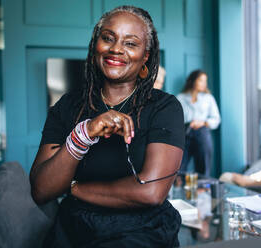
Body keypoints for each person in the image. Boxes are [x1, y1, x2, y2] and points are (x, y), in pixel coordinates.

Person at [30, 6, 185, 247]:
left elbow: (150, 192)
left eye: (131, 43)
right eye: (108, 38)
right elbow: (41, 190)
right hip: (74, 230)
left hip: (142, 232)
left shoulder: (164, 108)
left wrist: (74, 188)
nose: (116, 48)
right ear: (96, 46)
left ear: (145, 56)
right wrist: (83, 134)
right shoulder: (69, 106)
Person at [177, 70, 221, 176]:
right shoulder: (180, 98)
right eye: (201, 80)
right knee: (179, 166)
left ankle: (202, 190)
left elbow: (216, 119)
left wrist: (203, 123)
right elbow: (174, 119)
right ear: (193, 81)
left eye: (205, 81)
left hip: (202, 133)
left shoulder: (208, 98)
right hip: (184, 133)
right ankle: (179, 189)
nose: (204, 83)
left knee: (203, 167)